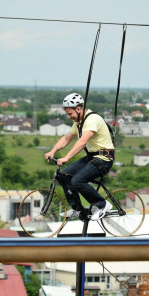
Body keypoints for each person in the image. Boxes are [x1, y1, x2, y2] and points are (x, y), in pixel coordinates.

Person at [44, 93, 115, 221]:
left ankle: (103, 205)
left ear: (78, 109)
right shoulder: (79, 122)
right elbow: (66, 139)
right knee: (64, 176)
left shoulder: (92, 120)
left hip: (104, 159)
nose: (69, 117)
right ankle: (76, 208)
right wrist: (52, 151)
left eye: (70, 114)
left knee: (77, 181)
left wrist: (66, 157)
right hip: (92, 157)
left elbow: (82, 142)